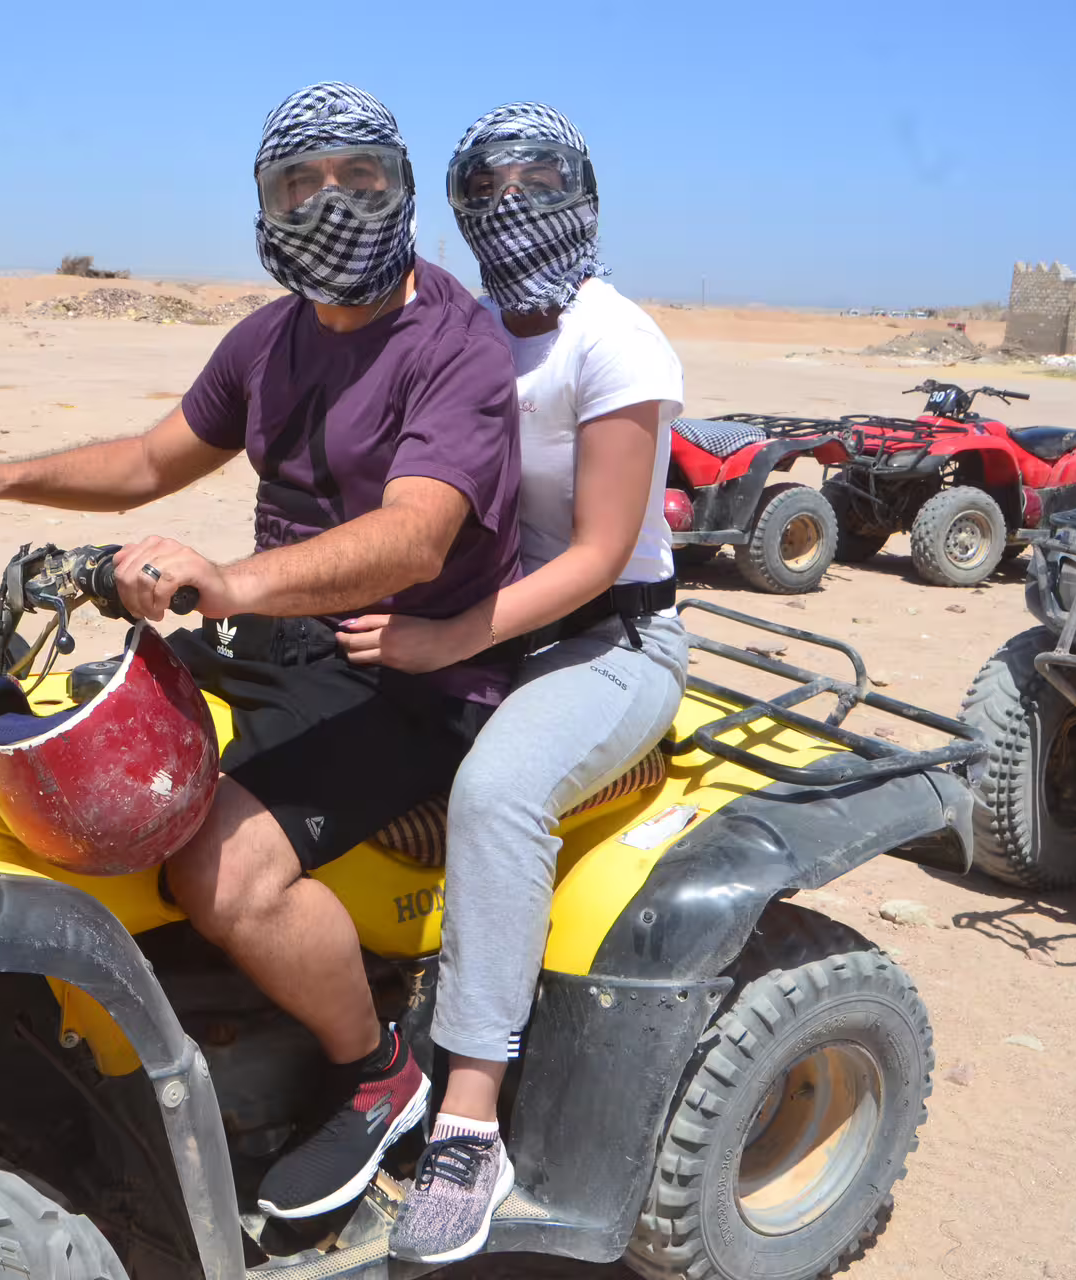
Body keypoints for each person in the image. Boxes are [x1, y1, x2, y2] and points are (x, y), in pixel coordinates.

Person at [0, 82, 523, 1220]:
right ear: (262, 203)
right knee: (54, 755)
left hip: (407, 667)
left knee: (220, 865)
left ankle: (375, 1068)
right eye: (297, 184)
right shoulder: (270, 338)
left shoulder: (455, 346)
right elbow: (153, 460)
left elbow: (416, 533)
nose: (327, 204)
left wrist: (232, 579)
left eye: (358, 178)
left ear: (401, 188)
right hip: (270, 644)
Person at [335, 102, 689, 1263]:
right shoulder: (476, 326)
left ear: (582, 188)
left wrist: (442, 643)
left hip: (610, 641)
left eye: (537, 177)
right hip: (496, 620)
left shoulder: (615, 339)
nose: (511, 202)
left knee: (496, 793)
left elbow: (594, 553)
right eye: (483, 187)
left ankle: (470, 1118)